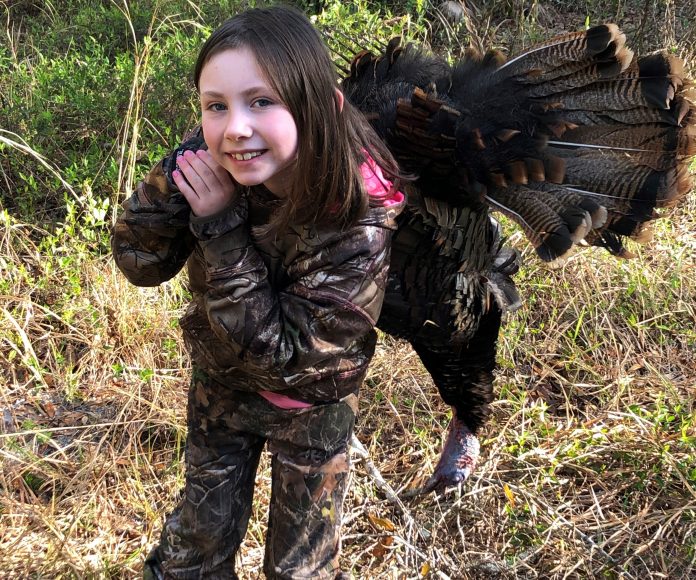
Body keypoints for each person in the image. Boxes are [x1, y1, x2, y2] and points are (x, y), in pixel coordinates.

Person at [111, 5, 405, 579]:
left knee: (300, 567)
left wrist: (219, 226)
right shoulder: (223, 154)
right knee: (193, 549)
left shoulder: (361, 217)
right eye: (215, 106)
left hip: (310, 404)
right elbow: (138, 261)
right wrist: (180, 177)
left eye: (261, 101)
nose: (236, 126)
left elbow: (285, 361)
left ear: (319, 105)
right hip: (222, 382)